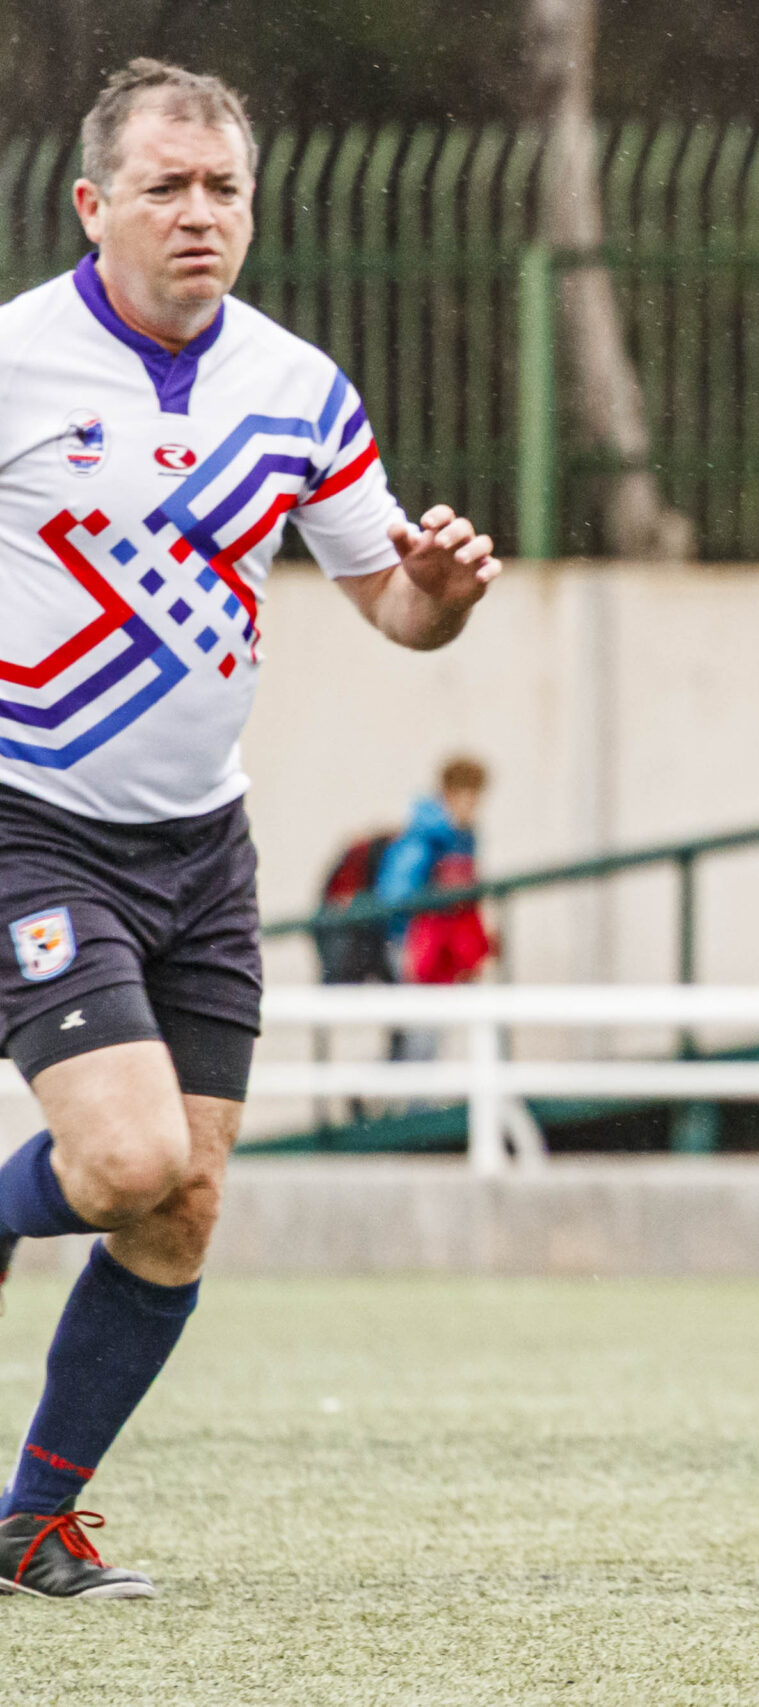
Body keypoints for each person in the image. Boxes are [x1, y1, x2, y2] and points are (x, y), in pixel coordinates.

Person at [0, 60, 501, 1598]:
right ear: (94, 205)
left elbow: (389, 605)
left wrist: (442, 588)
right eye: (166, 185)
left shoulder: (298, 387)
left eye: (224, 188)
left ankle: (31, 1520)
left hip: (204, 849)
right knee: (128, 1152)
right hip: (36, 824)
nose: (199, 214)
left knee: (184, 1200)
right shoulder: (15, 361)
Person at [375, 756, 490, 1060]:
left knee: (425, 1034)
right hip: (412, 944)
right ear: (450, 794)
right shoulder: (424, 838)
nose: (475, 807)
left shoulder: (462, 838)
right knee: (421, 1035)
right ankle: (410, 1105)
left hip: (442, 950)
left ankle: (387, 1099)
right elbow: (395, 894)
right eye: (470, 797)